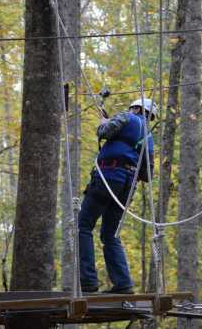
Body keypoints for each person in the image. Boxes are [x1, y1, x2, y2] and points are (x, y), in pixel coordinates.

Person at [78, 98, 156, 294]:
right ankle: (123, 283)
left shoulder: (126, 117)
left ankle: (88, 281)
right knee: (110, 235)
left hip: (108, 177)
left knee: (84, 225)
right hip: (127, 187)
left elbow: (103, 132)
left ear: (137, 108)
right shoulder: (149, 136)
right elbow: (148, 174)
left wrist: (104, 123)